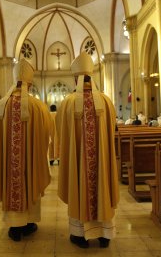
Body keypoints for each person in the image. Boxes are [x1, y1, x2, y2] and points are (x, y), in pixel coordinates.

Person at [56, 52, 119, 249]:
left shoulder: (67, 102)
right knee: (101, 184)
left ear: (76, 78)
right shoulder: (107, 101)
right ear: (91, 76)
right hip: (101, 161)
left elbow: (61, 134)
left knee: (79, 185)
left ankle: (79, 234)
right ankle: (104, 235)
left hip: (77, 164)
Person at [0, 59, 52, 242]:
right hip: (30, 164)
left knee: (13, 183)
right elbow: (47, 134)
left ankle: (14, 226)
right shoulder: (38, 106)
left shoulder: (1, 105)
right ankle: (29, 222)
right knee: (29, 180)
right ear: (30, 83)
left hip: (9, 165)